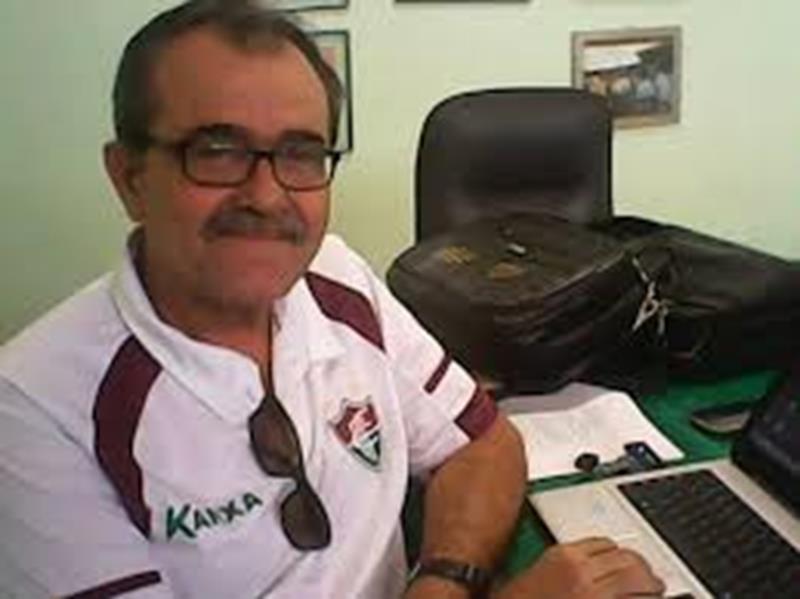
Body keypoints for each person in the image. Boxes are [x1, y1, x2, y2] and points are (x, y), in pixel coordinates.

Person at [0, 1, 666, 597]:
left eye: (301, 153)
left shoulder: (334, 276)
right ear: (129, 177)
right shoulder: (33, 408)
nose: (267, 196)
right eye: (218, 150)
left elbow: (483, 445)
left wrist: (442, 581)